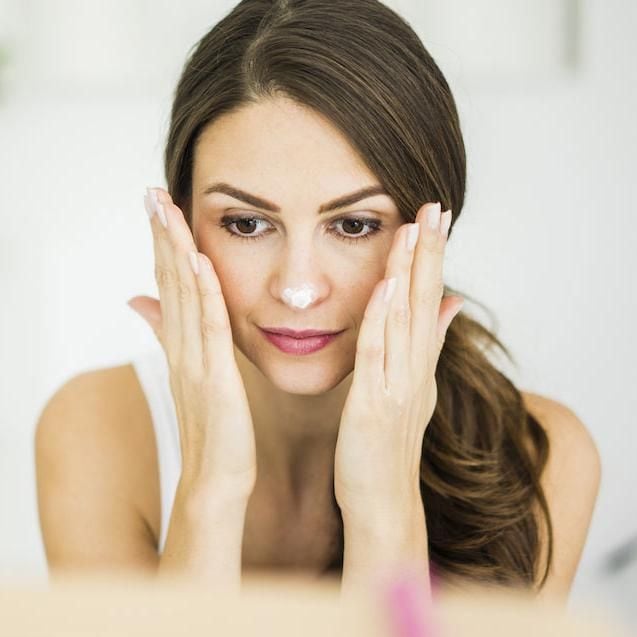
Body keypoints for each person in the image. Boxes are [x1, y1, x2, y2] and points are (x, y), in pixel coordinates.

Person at [34, 0, 601, 603]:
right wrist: (212, 484)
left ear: (433, 231)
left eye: (354, 225)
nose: (298, 288)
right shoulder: (97, 432)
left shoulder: (542, 456)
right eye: (247, 224)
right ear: (179, 227)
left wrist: (384, 502)